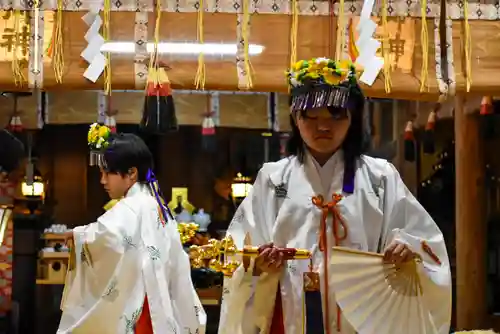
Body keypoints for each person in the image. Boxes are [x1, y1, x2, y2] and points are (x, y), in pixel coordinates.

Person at [218, 58, 451, 334]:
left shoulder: (380, 178)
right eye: (311, 116)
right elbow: (238, 250)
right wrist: (258, 263)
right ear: (295, 118)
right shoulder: (273, 179)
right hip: (293, 307)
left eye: (335, 115)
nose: (323, 126)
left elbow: (425, 241)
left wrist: (404, 246)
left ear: (352, 118)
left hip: (365, 313)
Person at [58, 128, 206, 334]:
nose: (102, 181)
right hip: (156, 298)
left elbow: (109, 236)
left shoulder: (134, 205)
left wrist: (79, 236)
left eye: (107, 173)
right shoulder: (155, 204)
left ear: (131, 173)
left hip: (141, 301)